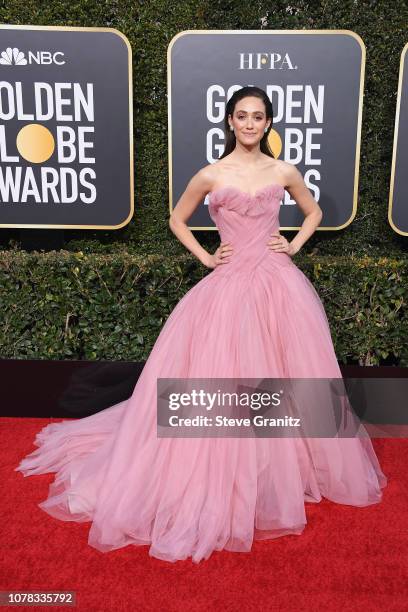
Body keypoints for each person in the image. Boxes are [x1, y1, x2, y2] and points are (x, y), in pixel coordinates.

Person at [15, 86, 387, 564]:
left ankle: (283, 468)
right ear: (230, 122)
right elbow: (177, 219)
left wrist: (293, 244)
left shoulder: (283, 170)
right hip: (229, 285)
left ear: (268, 123)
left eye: (258, 117)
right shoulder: (211, 173)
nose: (250, 124)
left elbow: (312, 211)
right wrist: (207, 257)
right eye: (241, 116)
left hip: (278, 285)